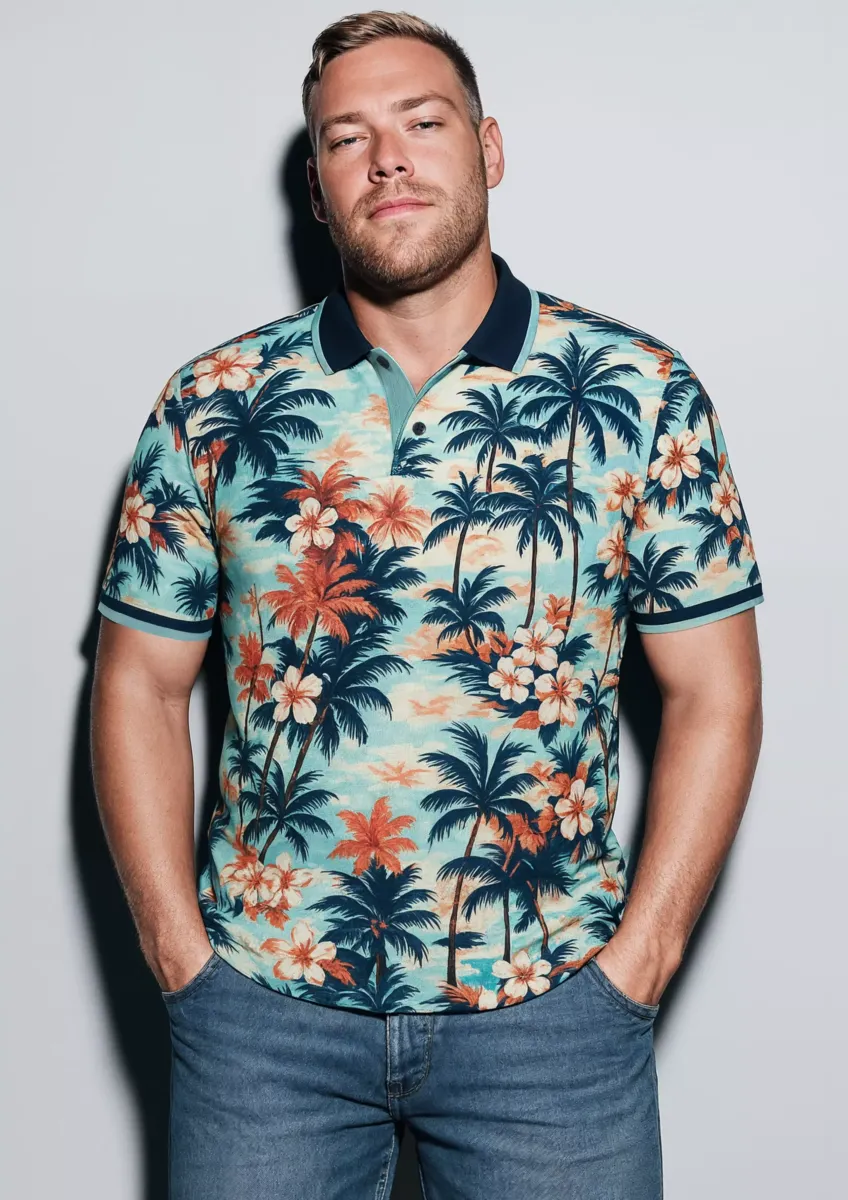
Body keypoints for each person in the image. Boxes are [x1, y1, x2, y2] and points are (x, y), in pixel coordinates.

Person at [90, 10, 764, 1199]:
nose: (386, 159)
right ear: (315, 187)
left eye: (421, 122)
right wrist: (178, 958)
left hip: (551, 1019)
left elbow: (715, 692)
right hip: (262, 1024)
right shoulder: (213, 402)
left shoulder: (639, 393)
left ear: (487, 149)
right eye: (346, 137)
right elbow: (139, 683)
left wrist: (639, 964)